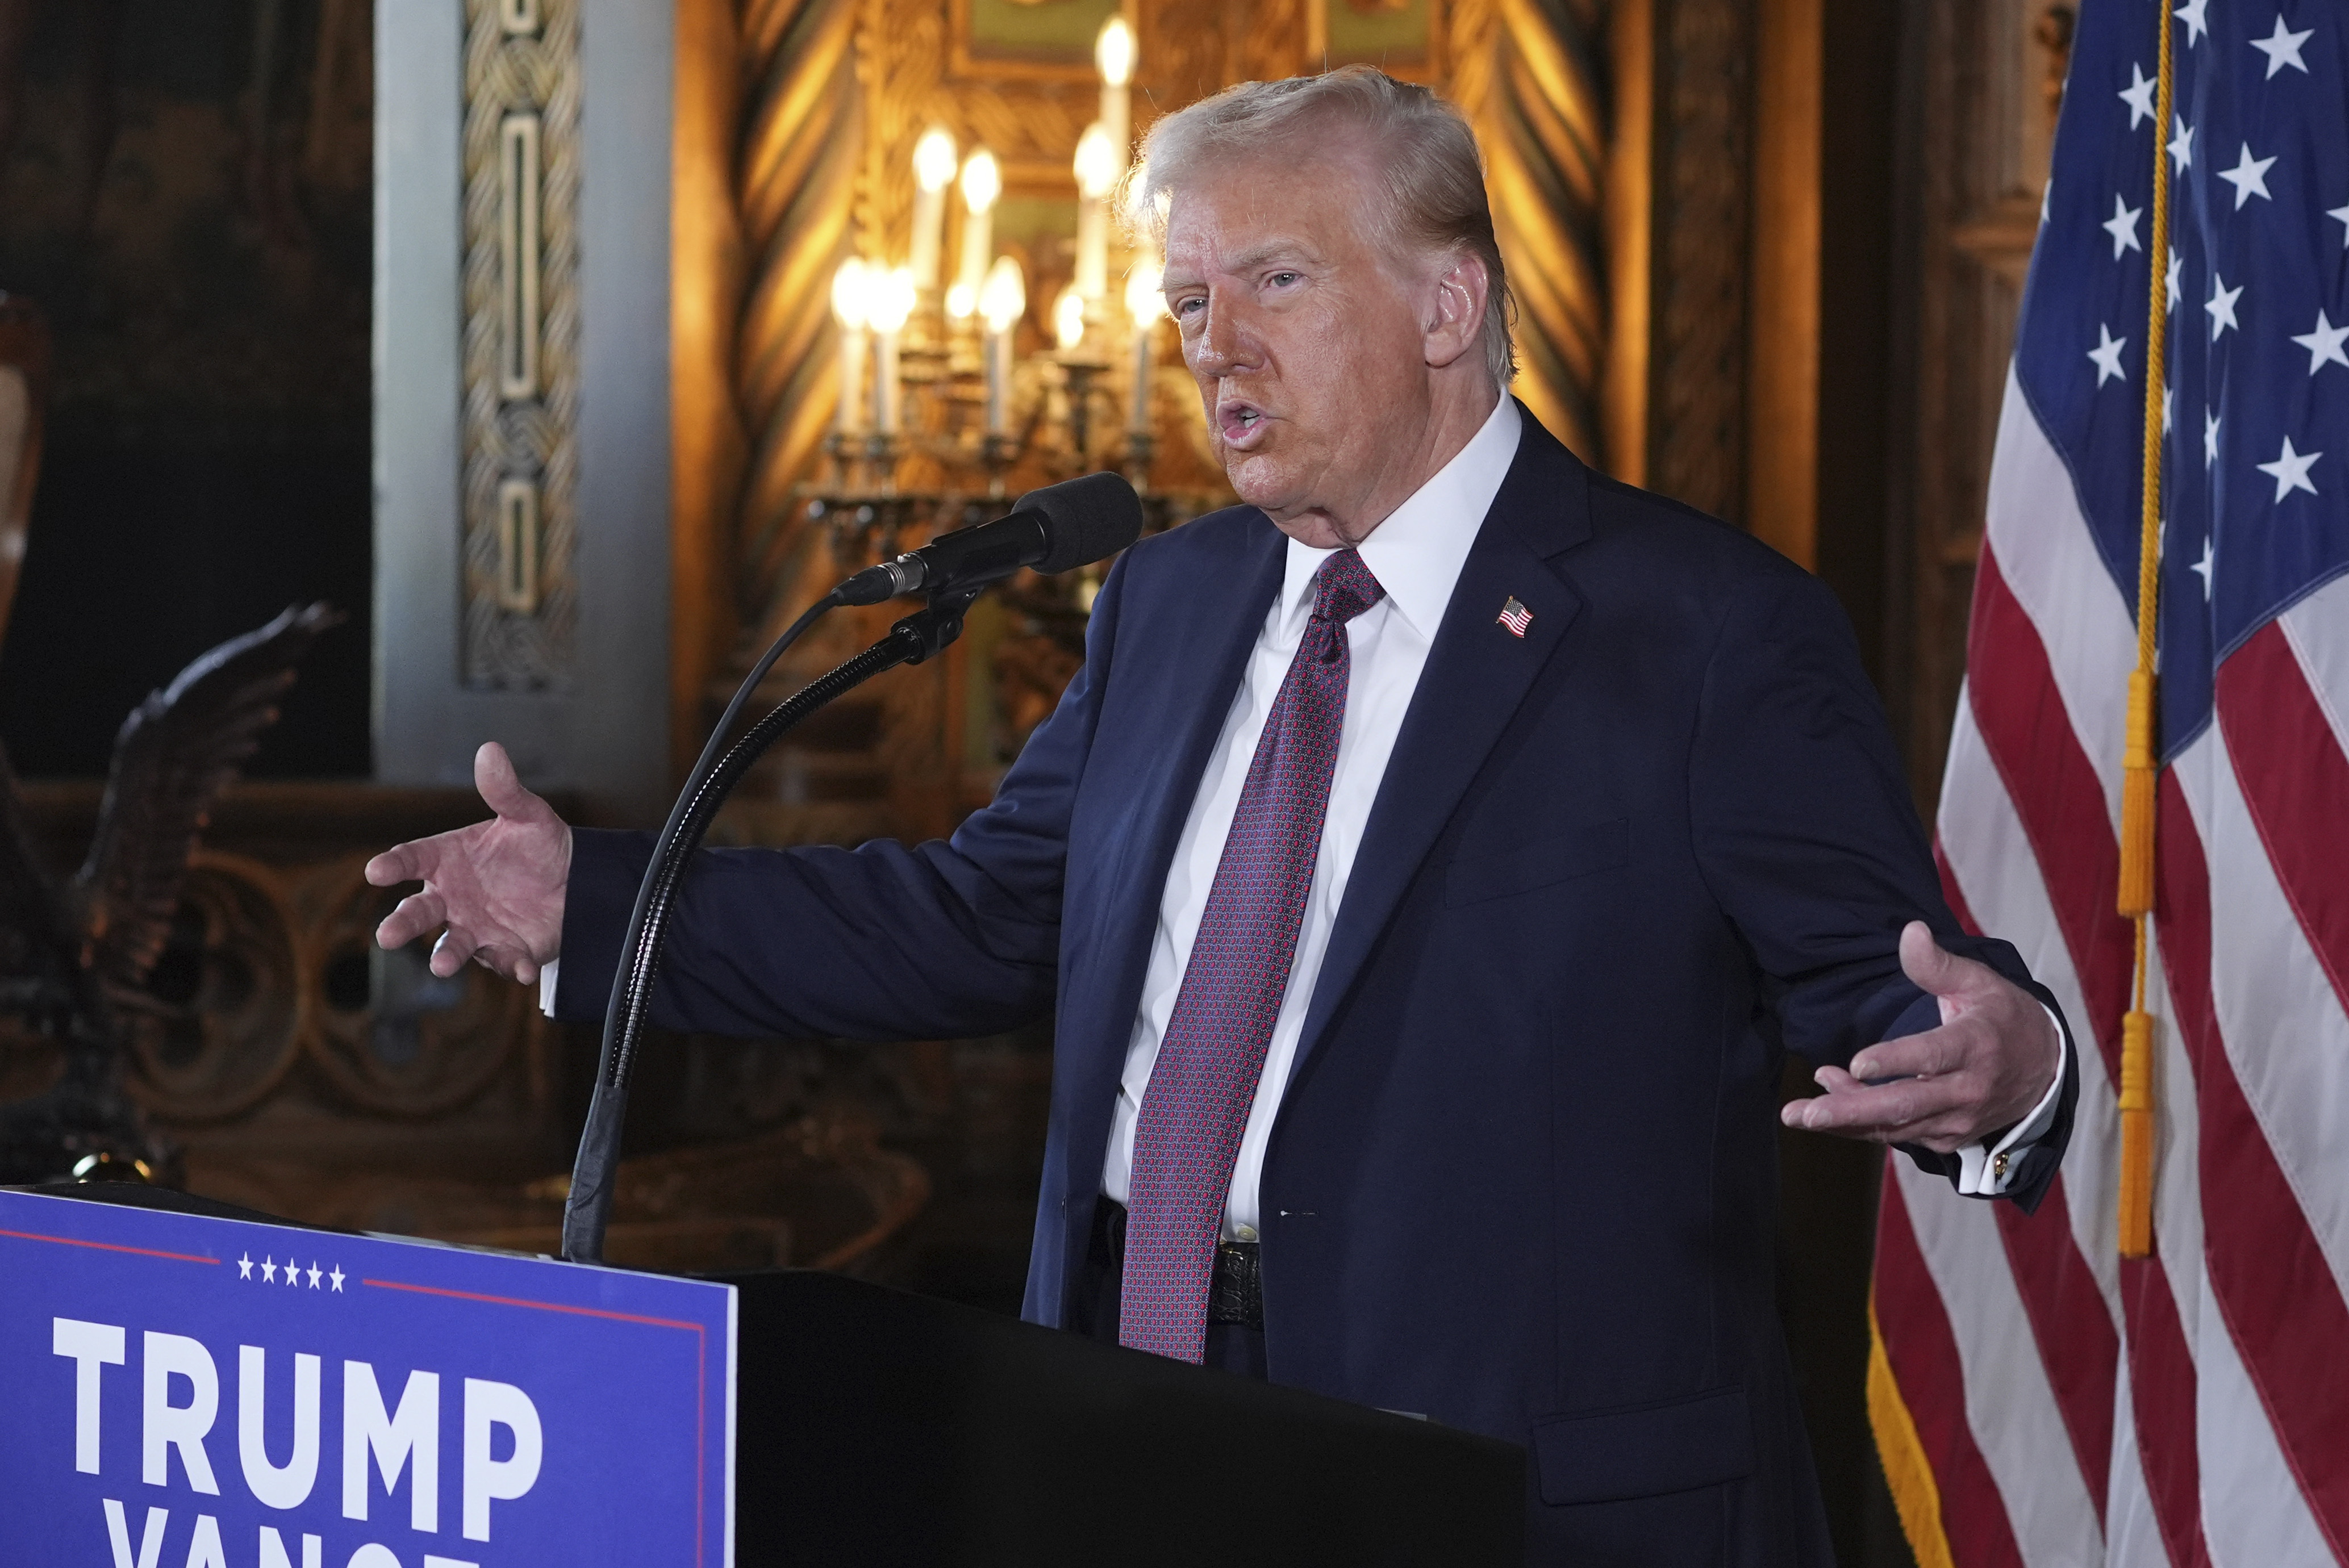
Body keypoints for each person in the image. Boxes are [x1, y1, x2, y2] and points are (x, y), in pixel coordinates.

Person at [367, 68, 2074, 1563]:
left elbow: (1894, 996)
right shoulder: (1169, 599)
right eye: (1189, 301)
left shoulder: (1701, 627)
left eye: (1273, 281)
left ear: (1448, 303)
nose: (1216, 349)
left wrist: (2006, 1069)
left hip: (1516, 1481)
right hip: (1138, 1412)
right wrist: (593, 905)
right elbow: (977, 919)